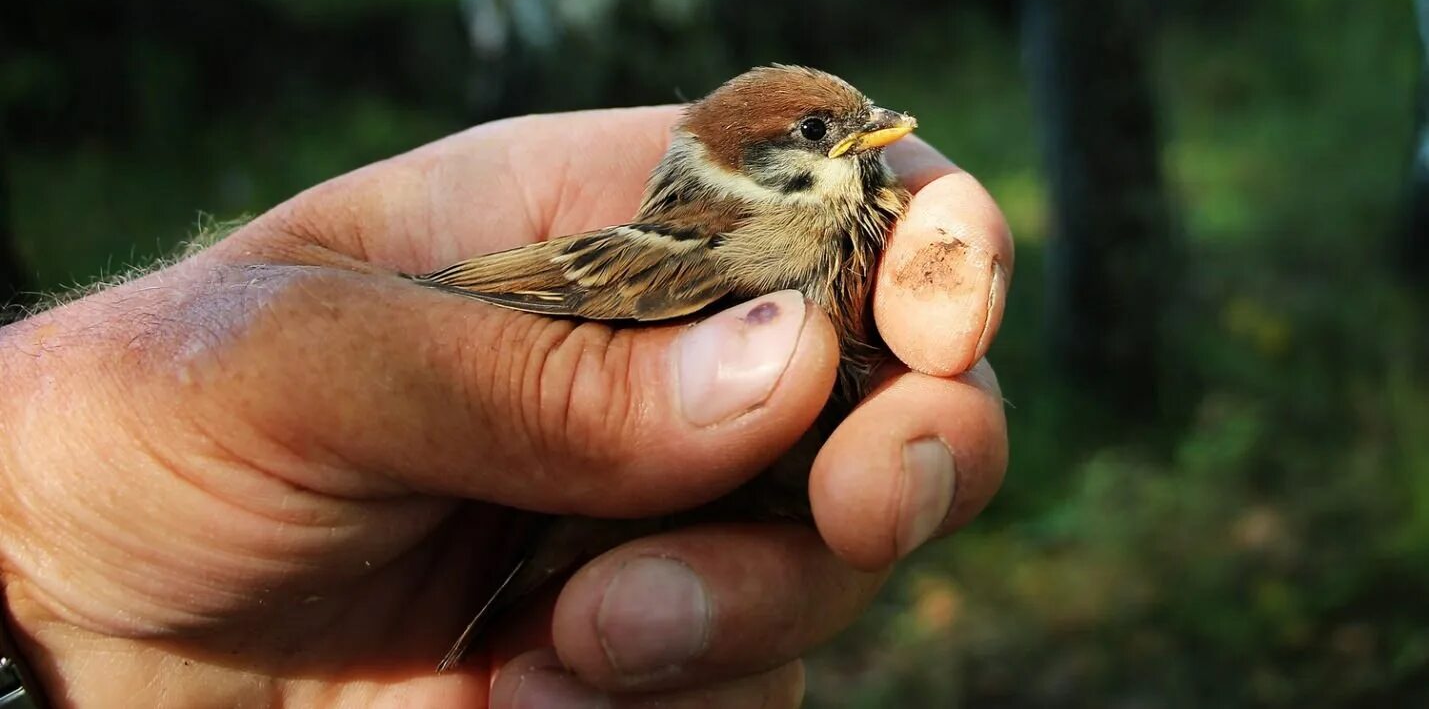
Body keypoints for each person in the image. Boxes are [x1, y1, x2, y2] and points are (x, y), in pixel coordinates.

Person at [0, 106, 1011, 708]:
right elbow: (545, 279)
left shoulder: (869, 211)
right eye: (824, 133)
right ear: (754, 163)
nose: (870, 137)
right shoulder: (740, 232)